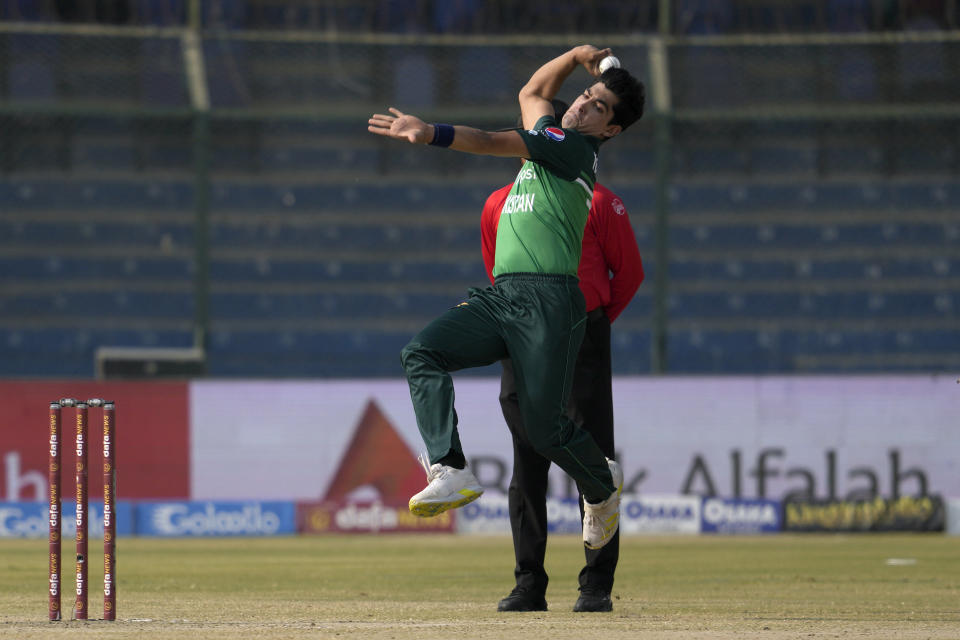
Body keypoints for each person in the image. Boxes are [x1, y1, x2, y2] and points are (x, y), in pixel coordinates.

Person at [368, 45, 645, 551]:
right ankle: (449, 468)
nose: (582, 105)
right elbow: (534, 92)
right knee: (422, 352)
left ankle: (602, 489)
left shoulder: (570, 148)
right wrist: (577, 54)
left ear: (610, 131)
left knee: (545, 430)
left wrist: (430, 132)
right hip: (504, 295)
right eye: (585, 95)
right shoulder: (550, 135)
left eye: (599, 107)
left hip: (550, 301)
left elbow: (493, 139)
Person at [480, 101, 644, 613]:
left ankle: (596, 584)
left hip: (580, 334)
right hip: (526, 331)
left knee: (593, 459)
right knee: (527, 462)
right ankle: (529, 582)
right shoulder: (498, 204)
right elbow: (498, 270)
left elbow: (629, 275)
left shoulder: (599, 202)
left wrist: (589, 327)